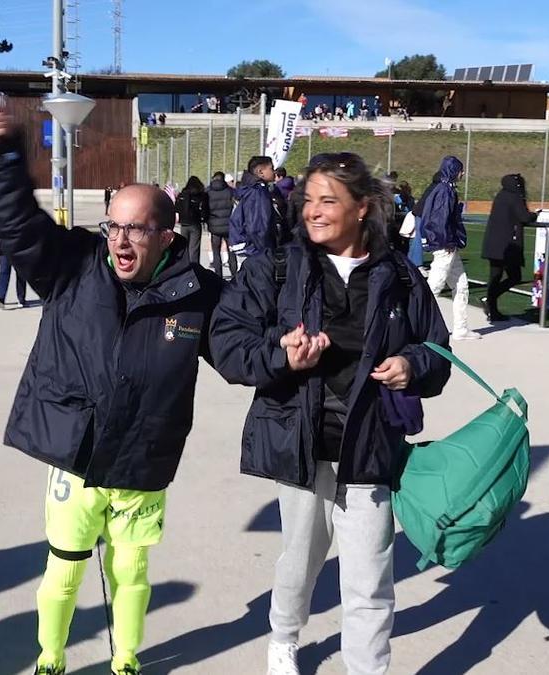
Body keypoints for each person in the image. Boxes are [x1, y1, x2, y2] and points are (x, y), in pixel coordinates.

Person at [0, 96, 224, 675]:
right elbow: (15, 221)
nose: (120, 240)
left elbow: (243, 352)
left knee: (131, 572)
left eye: (136, 229)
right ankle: (50, 657)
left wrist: (285, 353)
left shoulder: (199, 293)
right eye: (114, 225)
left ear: (166, 235)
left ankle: (127, 658)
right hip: (78, 458)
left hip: (142, 461)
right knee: (64, 569)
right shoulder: (73, 265)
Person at [208, 151, 451, 675]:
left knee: (370, 581)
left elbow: (438, 352)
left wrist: (412, 364)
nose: (313, 211)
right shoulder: (275, 268)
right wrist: (281, 355)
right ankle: (284, 638)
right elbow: (227, 342)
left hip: (370, 447)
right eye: (308, 200)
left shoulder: (402, 276)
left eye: (328, 201)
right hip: (301, 441)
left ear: (362, 208)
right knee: (300, 561)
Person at [421, 156, 478, 340]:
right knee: (433, 288)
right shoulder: (445, 191)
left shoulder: (444, 188)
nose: (463, 173)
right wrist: (445, 242)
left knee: (461, 285)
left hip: (448, 244)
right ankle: (418, 327)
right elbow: (440, 219)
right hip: (445, 245)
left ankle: (461, 328)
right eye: (460, 170)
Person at [482, 174, 538, 323]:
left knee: (495, 276)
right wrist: (534, 215)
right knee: (514, 276)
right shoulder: (514, 197)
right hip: (507, 244)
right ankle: (489, 300)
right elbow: (524, 217)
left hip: (494, 243)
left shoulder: (501, 195)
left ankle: (492, 308)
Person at [229, 156, 288, 264]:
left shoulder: (253, 189)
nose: (274, 171)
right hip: (255, 250)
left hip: (251, 248)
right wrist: (264, 252)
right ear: (260, 172)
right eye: (271, 168)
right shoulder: (257, 192)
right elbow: (257, 225)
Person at [206, 171, 237, 279]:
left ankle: (218, 275)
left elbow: (205, 208)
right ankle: (234, 273)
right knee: (231, 250)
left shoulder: (208, 191)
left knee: (216, 250)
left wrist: (207, 220)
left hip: (214, 225)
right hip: (229, 225)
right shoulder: (229, 191)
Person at [174, 175, 209, 265]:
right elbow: (204, 210)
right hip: (195, 223)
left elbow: (176, 208)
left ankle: (183, 265)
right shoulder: (201, 195)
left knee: (184, 247)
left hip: (184, 224)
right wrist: (204, 219)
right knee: (194, 248)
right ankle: (194, 268)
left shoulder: (182, 195)